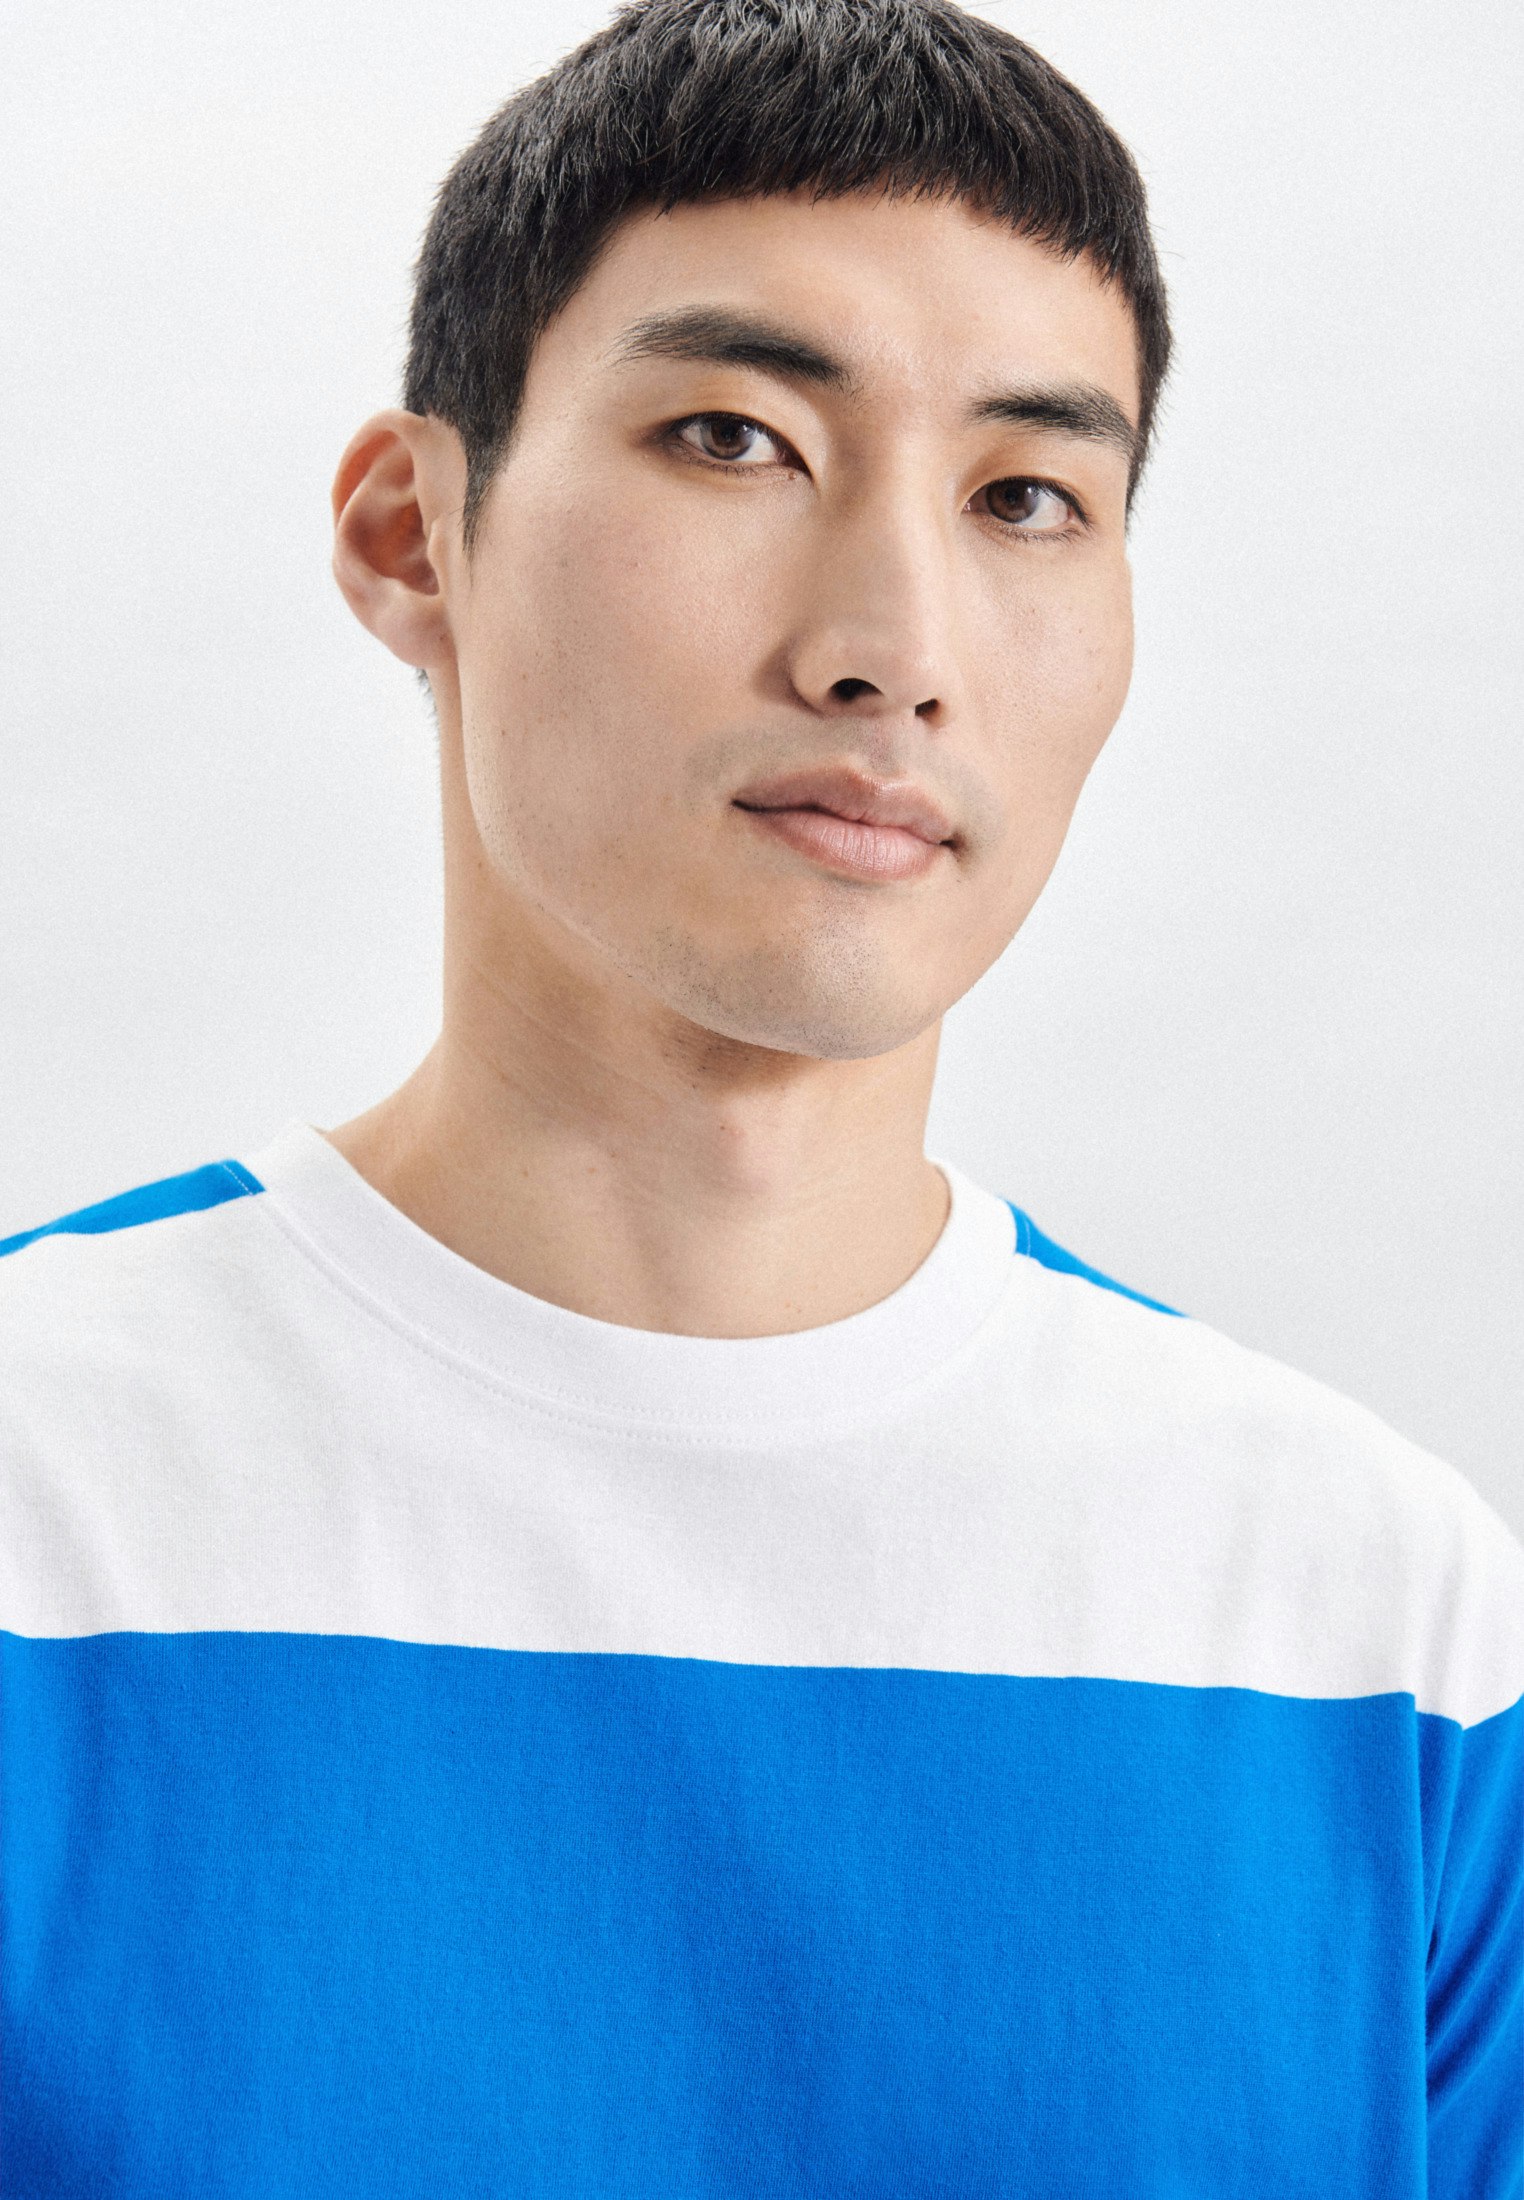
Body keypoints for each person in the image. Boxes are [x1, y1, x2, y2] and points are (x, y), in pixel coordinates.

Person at [2, 0, 1519, 2189]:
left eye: (1026, 496)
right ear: (416, 535)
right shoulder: (46, 1503)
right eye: (736, 440)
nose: (892, 642)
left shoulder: (1383, 1634)